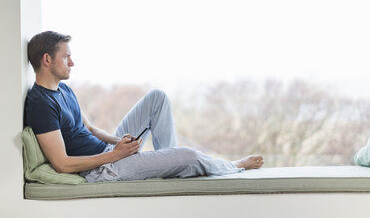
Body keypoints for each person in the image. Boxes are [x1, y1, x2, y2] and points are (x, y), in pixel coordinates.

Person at [24, 31, 264, 182]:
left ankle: (168, 164)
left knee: (156, 98)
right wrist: (114, 155)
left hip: (109, 152)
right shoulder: (40, 103)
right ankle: (232, 165)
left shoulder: (64, 89)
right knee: (189, 155)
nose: (72, 62)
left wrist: (117, 142)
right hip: (101, 169)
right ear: (47, 60)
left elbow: (92, 128)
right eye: (66, 57)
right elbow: (62, 164)